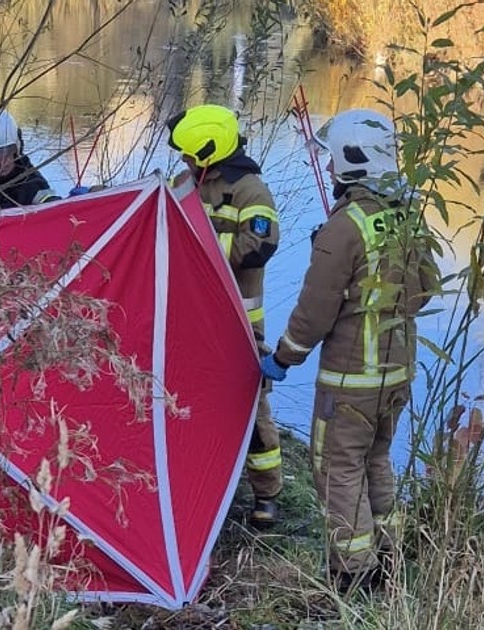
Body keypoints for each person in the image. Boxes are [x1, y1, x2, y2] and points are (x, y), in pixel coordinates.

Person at [259, 108, 439, 591]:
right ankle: (389, 558)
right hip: (398, 372)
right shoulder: (408, 214)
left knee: (338, 468)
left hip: (349, 379)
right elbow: (425, 290)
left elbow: (315, 311)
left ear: (350, 159)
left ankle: (353, 574)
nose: (328, 167)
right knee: (376, 459)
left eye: (332, 158)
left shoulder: (345, 227)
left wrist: (283, 357)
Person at [166, 104, 283, 529]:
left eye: (189, 153)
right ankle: (200, 484)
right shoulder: (186, 183)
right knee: (187, 401)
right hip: (191, 319)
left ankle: (267, 494)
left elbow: (260, 246)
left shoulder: (251, 191)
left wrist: (201, 252)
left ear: (209, 152)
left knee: (251, 410)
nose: (183, 159)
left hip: (239, 325)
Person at [0, 107, 60, 208]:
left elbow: (47, 201)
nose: (1, 162)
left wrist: (53, 201)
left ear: (17, 150)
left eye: (7, 152)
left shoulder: (29, 179)